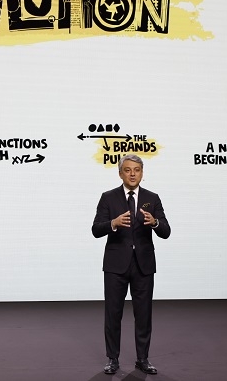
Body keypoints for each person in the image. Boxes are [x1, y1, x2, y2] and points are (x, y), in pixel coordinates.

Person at [92, 154, 171, 375]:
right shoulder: (108, 197)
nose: (133, 174)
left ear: (142, 173)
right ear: (120, 173)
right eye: (127, 170)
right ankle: (112, 359)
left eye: (137, 170)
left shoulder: (152, 198)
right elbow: (96, 229)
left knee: (143, 314)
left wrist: (154, 222)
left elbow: (166, 231)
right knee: (113, 314)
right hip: (115, 265)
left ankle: (143, 359)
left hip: (143, 265)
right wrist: (113, 223)